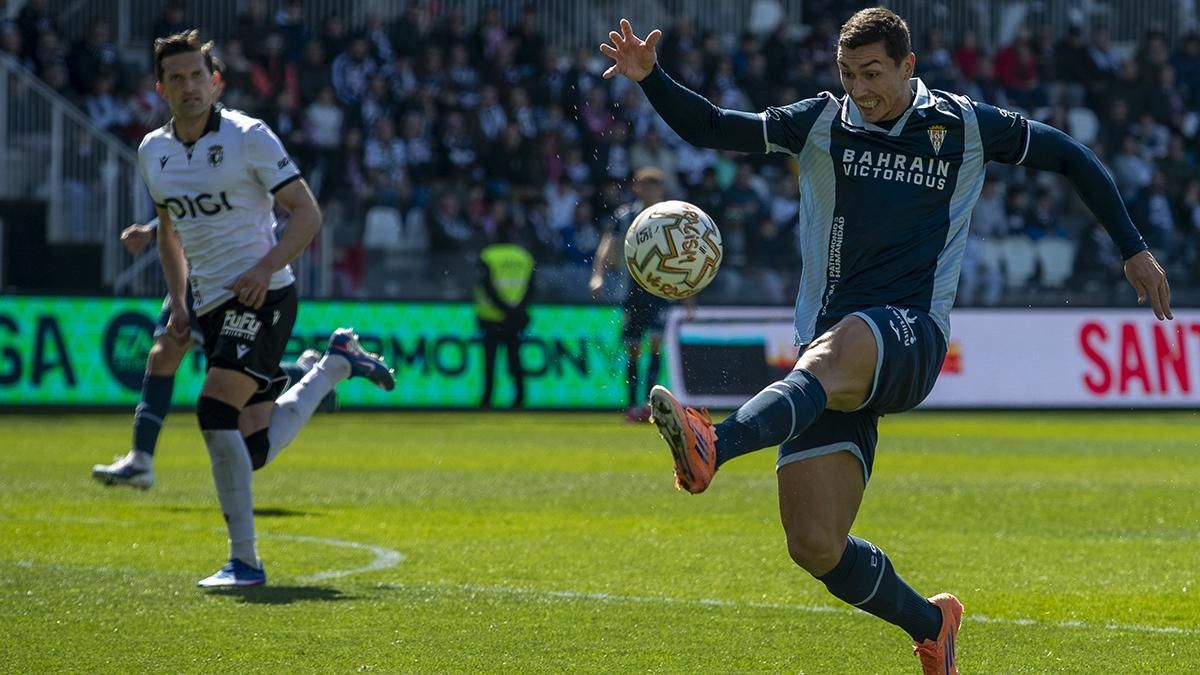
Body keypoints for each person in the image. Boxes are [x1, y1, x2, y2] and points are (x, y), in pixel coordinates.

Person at [600, 10, 1171, 674]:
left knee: (847, 339)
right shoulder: (821, 120)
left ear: (908, 66)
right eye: (847, 74)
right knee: (814, 543)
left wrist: (1133, 249)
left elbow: (1070, 155)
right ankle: (932, 624)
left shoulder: (962, 126)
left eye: (873, 73)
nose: (860, 89)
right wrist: (651, 77)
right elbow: (712, 128)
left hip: (910, 334)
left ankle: (715, 443)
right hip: (828, 363)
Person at [140, 30, 397, 587]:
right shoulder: (152, 152)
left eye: (197, 76)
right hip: (209, 305)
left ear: (215, 83)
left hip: (264, 295)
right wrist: (179, 303)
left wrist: (262, 267)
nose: (189, 87)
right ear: (161, 88)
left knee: (213, 410)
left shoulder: (248, 137)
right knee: (251, 448)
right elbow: (169, 232)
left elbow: (307, 215)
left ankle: (246, 562)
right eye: (176, 78)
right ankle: (335, 365)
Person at [90, 218, 336, 491]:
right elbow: (186, 202)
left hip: (232, 276)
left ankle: (309, 373)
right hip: (197, 276)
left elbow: (211, 201)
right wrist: (152, 230)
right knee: (164, 356)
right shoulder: (177, 178)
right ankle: (141, 460)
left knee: (231, 381)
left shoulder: (243, 178)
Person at [589, 166, 670, 422]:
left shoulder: (669, 216)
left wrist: (690, 297)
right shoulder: (625, 216)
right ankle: (632, 404)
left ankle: (651, 406)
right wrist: (598, 275)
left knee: (656, 347)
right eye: (644, 185)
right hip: (632, 290)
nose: (648, 190)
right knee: (633, 348)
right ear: (636, 187)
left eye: (653, 186)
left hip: (661, 290)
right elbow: (607, 245)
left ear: (660, 190)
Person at [474, 222, 534, 408]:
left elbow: (486, 286)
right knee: (515, 359)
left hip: (491, 317)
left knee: (490, 362)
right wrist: (516, 309)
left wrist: (503, 307)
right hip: (515, 318)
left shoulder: (488, 255)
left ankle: (487, 399)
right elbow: (531, 288)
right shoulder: (524, 257)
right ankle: (520, 398)